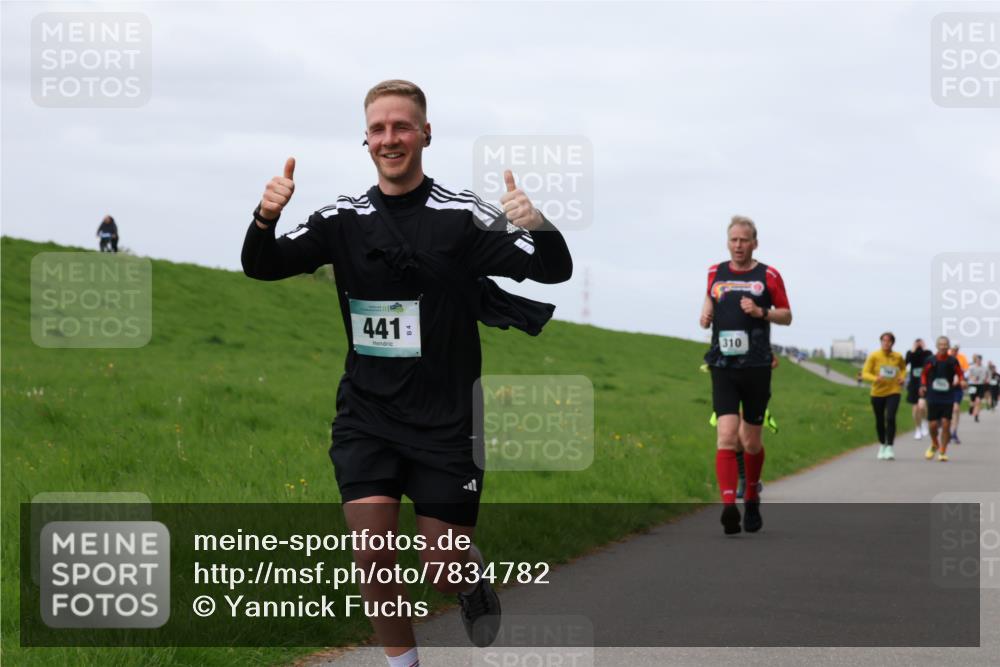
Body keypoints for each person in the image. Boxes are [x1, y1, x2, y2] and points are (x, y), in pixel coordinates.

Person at [241, 80, 573, 666]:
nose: (389, 138)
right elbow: (260, 265)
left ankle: (468, 579)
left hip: (447, 422)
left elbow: (553, 271)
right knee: (372, 553)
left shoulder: (462, 215)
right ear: (366, 139)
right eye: (378, 128)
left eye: (401, 126)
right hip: (367, 415)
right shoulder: (343, 218)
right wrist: (265, 217)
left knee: (442, 568)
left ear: (425, 133)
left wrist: (539, 223)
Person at [700, 215, 792, 535]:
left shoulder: (769, 275)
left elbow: (787, 315)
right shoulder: (715, 271)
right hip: (723, 365)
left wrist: (761, 312)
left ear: (755, 243)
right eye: (733, 240)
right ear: (728, 242)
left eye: (744, 240)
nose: (738, 245)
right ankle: (729, 505)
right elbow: (710, 294)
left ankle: (751, 495)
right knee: (726, 435)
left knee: (750, 441)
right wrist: (706, 310)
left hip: (756, 367)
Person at [861, 332, 907, 460]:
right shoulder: (874, 356)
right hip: (877, 392)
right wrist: (875, 378)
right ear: (881, 342)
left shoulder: (898, 356)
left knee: (890, 417)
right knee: (879, 419)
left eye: (889, 341)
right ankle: (882, 444)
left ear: (892, 343)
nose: (886, 343)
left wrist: (902, 377)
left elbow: (903, 368)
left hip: (894, 391)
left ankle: (890, 447)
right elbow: (865, 373)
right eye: (884, 341)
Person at [920, 336, 966, 462]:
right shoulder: (930, 360)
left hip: (947, 396)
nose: (943, 346)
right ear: (937, 346)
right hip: (933, 395)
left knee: (946, 423)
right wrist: (923, 385)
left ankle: (943, 451)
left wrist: (962, 381)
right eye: (941, 344)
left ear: (948, 346)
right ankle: (935, 443)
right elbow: (923, 374)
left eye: (945, 344)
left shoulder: (953, 361)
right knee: (933, 425)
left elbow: (960, 373)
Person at [904, 338, 932, 440]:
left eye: (920, 343)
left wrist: (924, 349)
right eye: (917, 343)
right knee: (915, 408)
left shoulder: (927, 353)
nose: (919, 345)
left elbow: (930, 362)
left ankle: (924, 421)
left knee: (923, 406)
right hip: (913, 384)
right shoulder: (910, 353)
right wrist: (913, 349)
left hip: (924, 384)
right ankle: (917, 428)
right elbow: (905, 363)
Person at [948, 343, 970, 443]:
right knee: (948, 411)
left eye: (956, 349)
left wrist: (962, 379)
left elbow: (966, 370)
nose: (954, 351)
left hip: (957, 387)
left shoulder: (962, 358)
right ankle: (948, 431)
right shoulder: (946, 357)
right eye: (953, 349)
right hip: (947, 387)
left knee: (956, 409)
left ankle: (954, 432)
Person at [966, 354, 990, 423]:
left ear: (981, 360)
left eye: (979, 360)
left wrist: (987, 380)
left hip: (981, 385)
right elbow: (968, 375)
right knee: (972, 400)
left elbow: (988, 376)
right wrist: (972, 378)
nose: (978, 361)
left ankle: (976, 415)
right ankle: (971, 407)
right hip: (972, 385)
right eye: (977, 360)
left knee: (978, 401)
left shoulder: (984, 368)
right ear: (975, 360)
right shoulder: (971, 367)